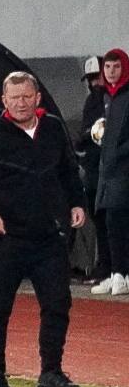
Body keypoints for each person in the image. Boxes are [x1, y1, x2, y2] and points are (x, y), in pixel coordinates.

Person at [0, 71, 86, 387]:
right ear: (4, 101)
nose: (22, 103)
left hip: (48, 238)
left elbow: (69, 172)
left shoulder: (53, 128)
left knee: (57, 304)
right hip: (5, 239)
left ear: (37, 97)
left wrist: (77, 203)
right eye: (15, 98)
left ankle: (51, 372)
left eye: (27, 96)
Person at [93, 48, 129, 297]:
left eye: (116, 67)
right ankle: (111, 272)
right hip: (106, 171)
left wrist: (118, 152)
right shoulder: (105, 97)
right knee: (105, 221)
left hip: (123, 171)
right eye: (107, 67)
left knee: (118, 221)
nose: (111, 72)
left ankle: (121, 273)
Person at [78, 54, 110, 285]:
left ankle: (109, 266)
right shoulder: (96, 100)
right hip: (95, 169)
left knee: (106, 220)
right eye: (91, 79)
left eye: (96, 77)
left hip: (101, 169)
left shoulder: (106, 99)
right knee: (102, 220)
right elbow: (85, 135)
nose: (94, 83)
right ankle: (107, 265)